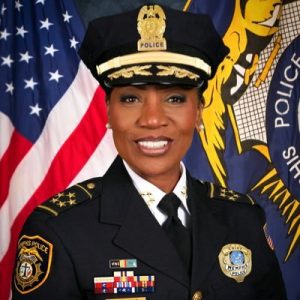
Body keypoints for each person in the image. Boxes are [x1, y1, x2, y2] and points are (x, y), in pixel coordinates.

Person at [12, 4, 287, 300]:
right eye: (131, 98)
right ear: (108, 112)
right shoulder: (58, 231)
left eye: (175, 98)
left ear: (198, 113)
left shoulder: (243, 219)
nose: (153, 119)